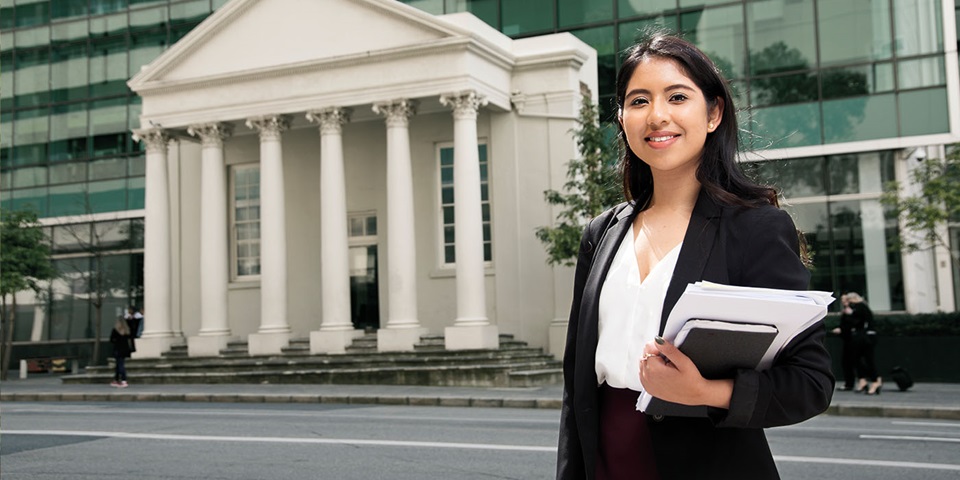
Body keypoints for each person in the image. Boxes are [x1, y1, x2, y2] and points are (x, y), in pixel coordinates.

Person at [556, 32, 834, 480]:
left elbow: (810, 384)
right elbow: (578, 389)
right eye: (639, 101)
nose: (657, 116)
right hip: (605, 462)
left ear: (713, 113)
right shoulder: (601, 234)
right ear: (622, 117)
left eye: (678, 96)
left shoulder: (755, 229)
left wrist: (706, 390)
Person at [846, 292, 881, 395]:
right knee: (860, 359)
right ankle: (865, 380)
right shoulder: (862, 307)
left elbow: (858, 321)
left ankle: (874, 381)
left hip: (864, 338)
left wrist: (850, 313)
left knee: (866, 359)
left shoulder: (860, 307)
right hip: (865, 337)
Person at [832, 294, 863, 391]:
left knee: (850, 361)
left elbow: (854, 323)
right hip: (849, 338)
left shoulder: (853, 310)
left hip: (852, 339)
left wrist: (842, 329)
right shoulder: (849, 310)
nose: (843, 302)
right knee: (848, 362)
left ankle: (854, 382)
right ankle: (851, 382)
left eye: (845, 300)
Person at [109, 316, 133, 388]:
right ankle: (116, 379)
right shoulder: (127, 330)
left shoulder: (115, 330)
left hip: (118, 349)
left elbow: (111, 339)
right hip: (125, 350)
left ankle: (123, 380)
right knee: (119, 364)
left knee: (120, 365)